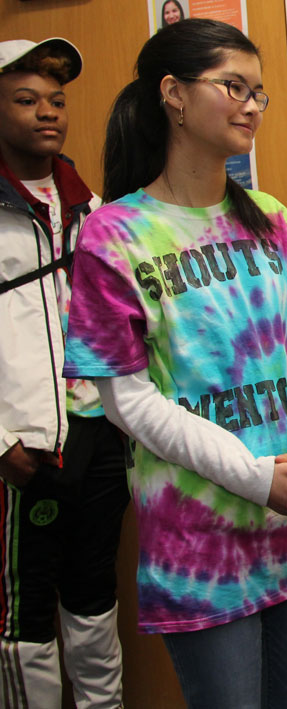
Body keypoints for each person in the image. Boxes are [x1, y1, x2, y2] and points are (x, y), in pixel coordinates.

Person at [61, 19, 287, 707]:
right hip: (200, 545)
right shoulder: (113, 234)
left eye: (259, 92)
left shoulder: (272, 217)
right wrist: (256, 477)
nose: (251, 104)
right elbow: (126, 400)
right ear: (173, 94)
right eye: (233, 87)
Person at [0, 37, 128, 708]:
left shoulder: (94, 208)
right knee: (24, 620)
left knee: (93, 595)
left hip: (97, 435)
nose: (47, 113)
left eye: (56, 100)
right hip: (21, 448)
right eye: (24, 100)